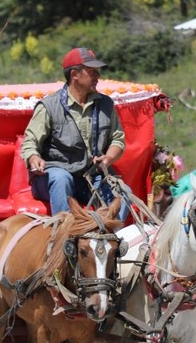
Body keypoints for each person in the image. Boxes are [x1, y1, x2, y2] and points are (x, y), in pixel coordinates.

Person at [21, 47, 129, 220]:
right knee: (61, 178)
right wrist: (33, 158)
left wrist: (108, 158)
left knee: (123, 192)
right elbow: (30, 141)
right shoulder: (49, 106)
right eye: (92, 71)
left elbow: (117, 139)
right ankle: (65, 233)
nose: (98, 76)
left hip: (91, 178)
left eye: (97, 71)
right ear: (74, 75)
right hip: (54, 178)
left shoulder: (106, 104)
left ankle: (108, 234)